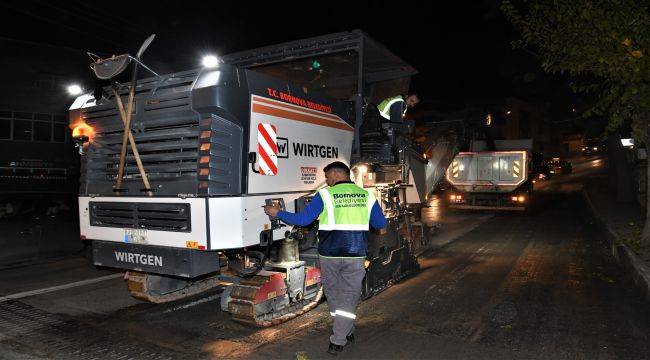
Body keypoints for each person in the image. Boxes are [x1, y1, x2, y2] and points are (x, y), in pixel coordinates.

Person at [264, 161, 387, 355]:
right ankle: (346, 328)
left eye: (328, 177)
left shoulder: (325, 195)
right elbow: (380, 223)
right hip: (355, 254)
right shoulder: (367, 196)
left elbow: (304, 220)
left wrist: (277, 213)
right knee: (348, 295)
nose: (327, 181)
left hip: (330, 255)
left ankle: (338, 339)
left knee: (334, 293)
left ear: (337, 174)